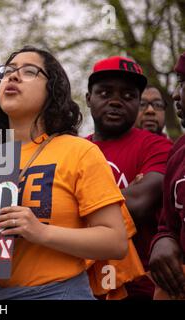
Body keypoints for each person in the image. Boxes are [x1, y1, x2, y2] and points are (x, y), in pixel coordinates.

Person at [0, 46, 129, 300]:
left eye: (29, 71)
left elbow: (115, 241)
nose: (13, 77)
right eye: (8, 71)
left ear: (53, 90)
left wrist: (41, 232)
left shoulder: (79, 152)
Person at [86, 56, 173, 299]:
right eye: (104, 93)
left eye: (127, 96)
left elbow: (138, 204)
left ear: (136, 102)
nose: (115, 101)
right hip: (83, 285)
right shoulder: (73, 149)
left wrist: (79, 207)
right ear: (88, 99)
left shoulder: (158, 147)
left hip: (141, 285)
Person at [149, 52, 185, 300]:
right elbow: (168, 224)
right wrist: (163, 239)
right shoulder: (4, 147)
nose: (174, 94)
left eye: (183, 82)